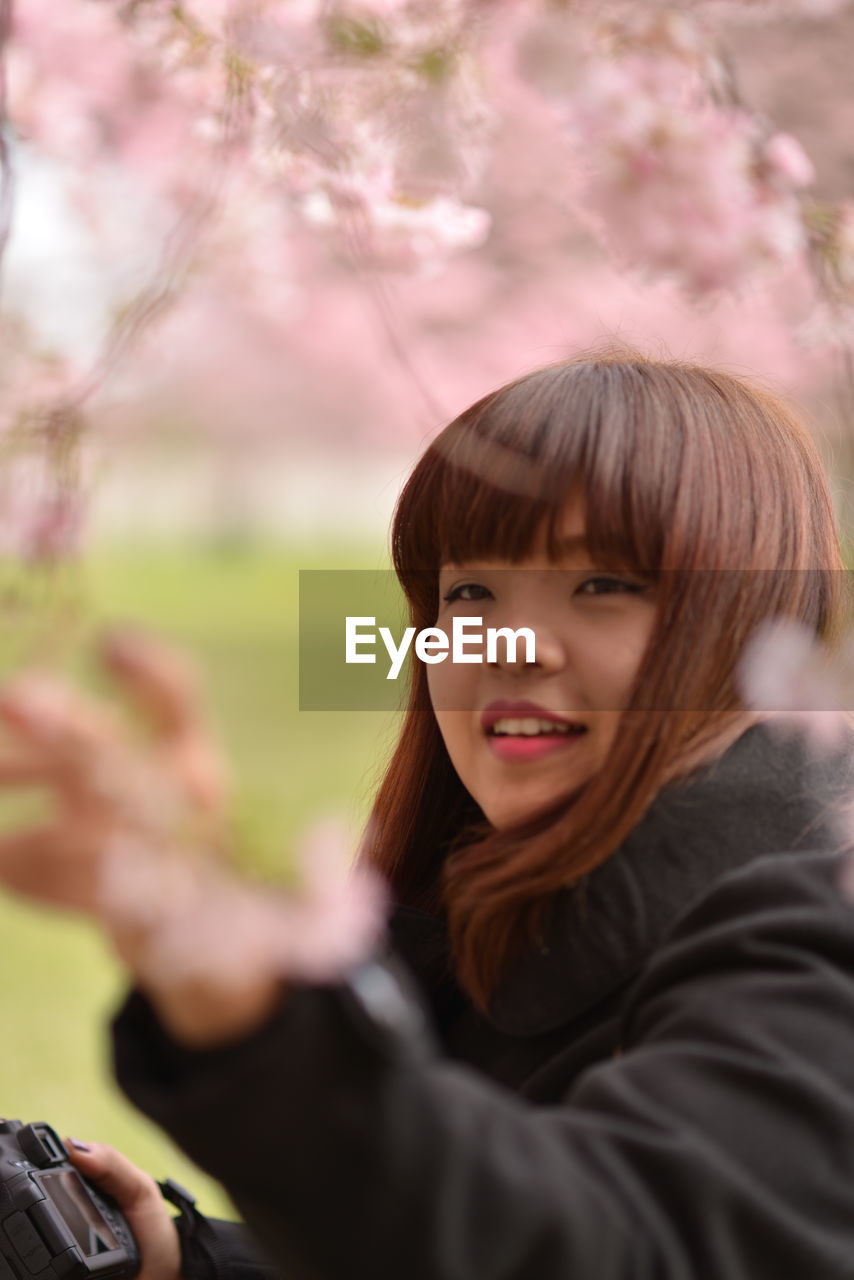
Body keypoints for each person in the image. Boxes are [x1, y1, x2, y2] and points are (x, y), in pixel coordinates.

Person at [2, 350, 854, 1280]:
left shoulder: (821, 943)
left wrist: (246, 1002)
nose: (509, 649)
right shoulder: (494, 921)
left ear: (754, 623)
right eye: (470, 593)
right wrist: (182, 1260)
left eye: (603, 585)